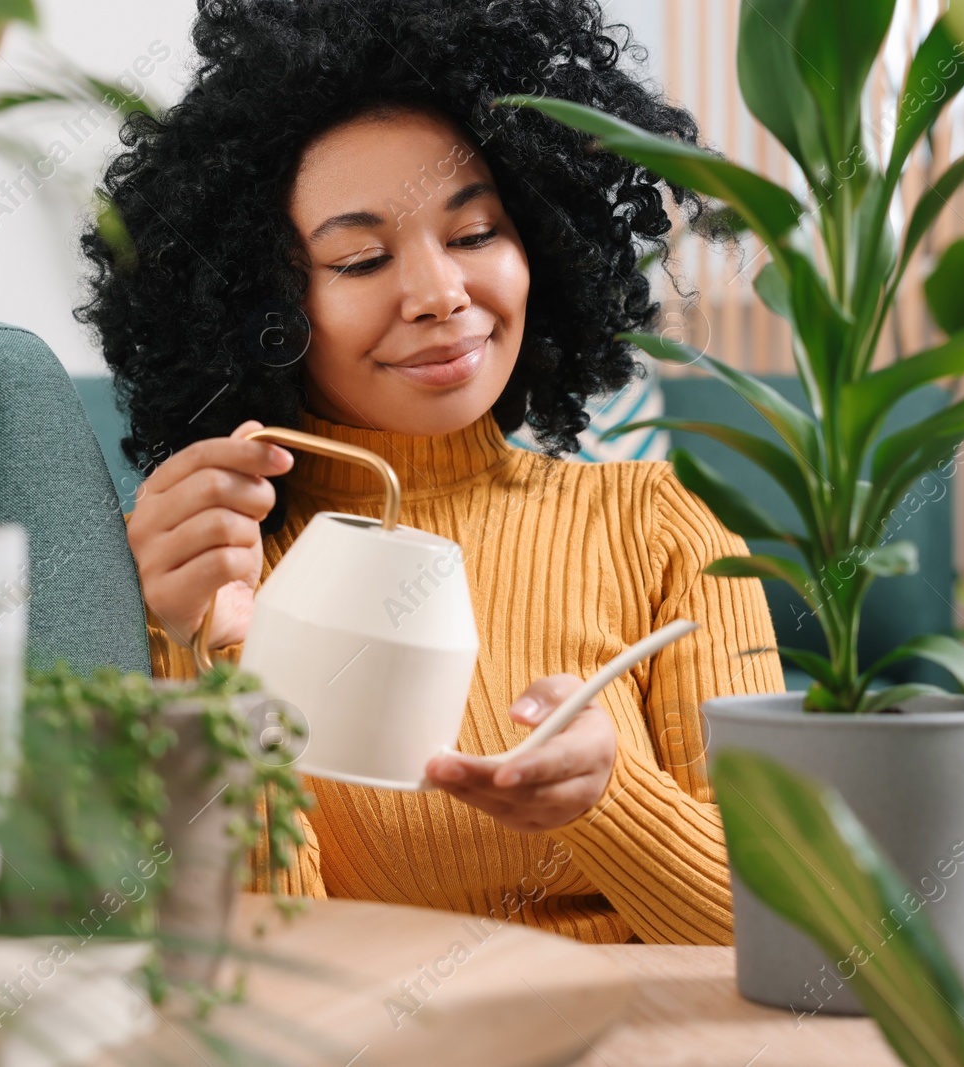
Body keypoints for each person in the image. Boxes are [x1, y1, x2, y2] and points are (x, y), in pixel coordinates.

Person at [78, 0, 784, 946]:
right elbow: (243, 971)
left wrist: (609, 800)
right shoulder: (205, 569)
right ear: (264, 308)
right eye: (362, 257)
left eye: (476, 234)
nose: (440, 294)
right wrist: (214, 675)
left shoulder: (656, 525)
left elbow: (787, 934)